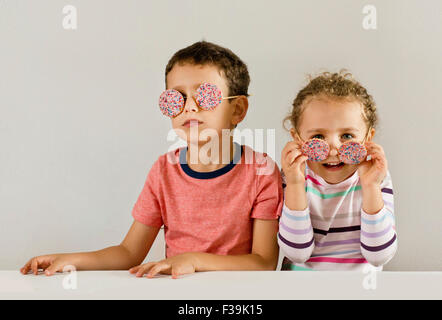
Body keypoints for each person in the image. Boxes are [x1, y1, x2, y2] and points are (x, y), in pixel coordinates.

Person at [20, 41, 283, 279]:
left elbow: (263, 263)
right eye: (176, 98)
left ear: (237, 109)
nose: (189, 107)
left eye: (206, 96)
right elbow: (129, 252)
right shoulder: (163, 171)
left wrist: (193, 260)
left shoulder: (261, 171)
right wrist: (71, 260)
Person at [279, 70, 397, 271]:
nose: (333, 148)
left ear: (368, 138)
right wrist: (296, 185)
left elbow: (379, 256)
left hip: (360, 288)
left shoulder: (376, 179)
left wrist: (370, 187)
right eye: (318, 136)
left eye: (348, 136)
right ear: (297, 139)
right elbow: (297, 254)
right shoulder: (293, 177)